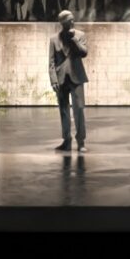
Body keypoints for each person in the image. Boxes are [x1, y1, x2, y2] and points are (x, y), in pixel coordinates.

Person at [48, 9, 90, 152]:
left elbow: (84, 53)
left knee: (79, 109)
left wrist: (74, 40)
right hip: (61, 79)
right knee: (64, 111)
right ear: (63, 23)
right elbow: (51, 62)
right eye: (69, 20)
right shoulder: (54, 39)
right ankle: (67, 140)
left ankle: (81, 141)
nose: (73, 21)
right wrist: (53, 80)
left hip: (76, 77)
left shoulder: (80, 35)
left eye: (73, 19)